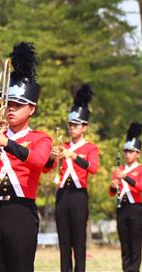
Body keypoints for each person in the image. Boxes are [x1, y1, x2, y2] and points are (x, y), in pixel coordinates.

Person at [0, 42, 53, 271]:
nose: (11, 109)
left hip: (21, 213)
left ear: (31, 109)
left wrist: (6, 143)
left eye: (18, 105)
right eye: (9, 104)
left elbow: (39, 160)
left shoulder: (41, 138)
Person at [45, 84, 99, 272]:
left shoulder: (90, 148)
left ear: (84, 127)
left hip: (78, 196)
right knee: (64, 241)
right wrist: (52, 157)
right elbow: (47, 170)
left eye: (75, 125)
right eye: (70, 124)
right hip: (62, 195)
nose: (72, 128)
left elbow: (93, 168)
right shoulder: (62, 145)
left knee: (79, 241)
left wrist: (74, 155)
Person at [109, 122, 142, 272]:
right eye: (126, 151)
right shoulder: (119, 169)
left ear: (138, 153)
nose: (127, 154)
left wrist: (126, 177)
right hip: (122, 208)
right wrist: (113, 186)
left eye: (131, 151)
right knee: (124, 245)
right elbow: (112, 192)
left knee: (135, 244)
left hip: (135, 209)